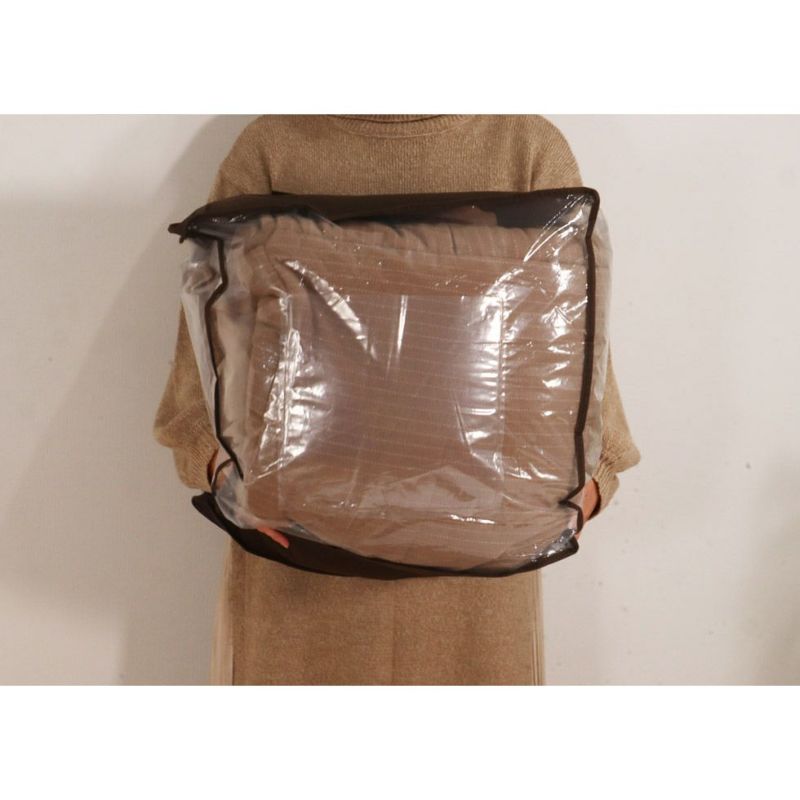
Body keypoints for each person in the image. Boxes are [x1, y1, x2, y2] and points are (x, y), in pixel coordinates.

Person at [153, 114, 641, 685]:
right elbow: (201, 378)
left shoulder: (523, 147)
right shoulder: (274, 146)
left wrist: (587, 489)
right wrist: (224, 475)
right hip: (294, 580)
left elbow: (579, 357)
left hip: (476, 597)